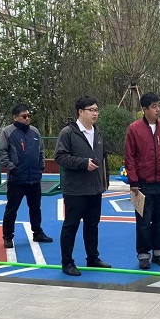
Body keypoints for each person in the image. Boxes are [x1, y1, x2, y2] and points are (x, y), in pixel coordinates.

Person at [54, 96, 112, 276]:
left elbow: (103, 158)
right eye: (91, 110)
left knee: (92, 225)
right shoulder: (68, 133)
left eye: (96, 110)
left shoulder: (98, 132)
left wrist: (105, 181)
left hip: (95, 189)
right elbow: (60, 157)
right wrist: (83, 163)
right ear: (80, 112)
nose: (95, 113)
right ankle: (67, 262)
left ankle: (92, 257)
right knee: (71, 226)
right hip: (75, 190)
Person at [124, 92, 160, 269]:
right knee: (143, 222)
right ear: (144, 109)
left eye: (159, 105)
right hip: (144, 184)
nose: (158, 109)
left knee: (159, 221)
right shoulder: (134, 129)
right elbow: (130, 156)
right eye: (154, 107)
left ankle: (158, 252)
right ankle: (143, 254)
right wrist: (133, 181)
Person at [0, 104, 52, 248]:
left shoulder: (35, 131)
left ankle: (37, 232)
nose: (27, 118)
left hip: (34, 178)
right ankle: (8, 236)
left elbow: (41, 150)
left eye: (29, 116)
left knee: (36, 208)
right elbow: (2, 153)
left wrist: (40, 166)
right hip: (16, 179)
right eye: (24, 116)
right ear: (15, 117)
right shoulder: (7, 132)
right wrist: (12, 168)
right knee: (12, 209)